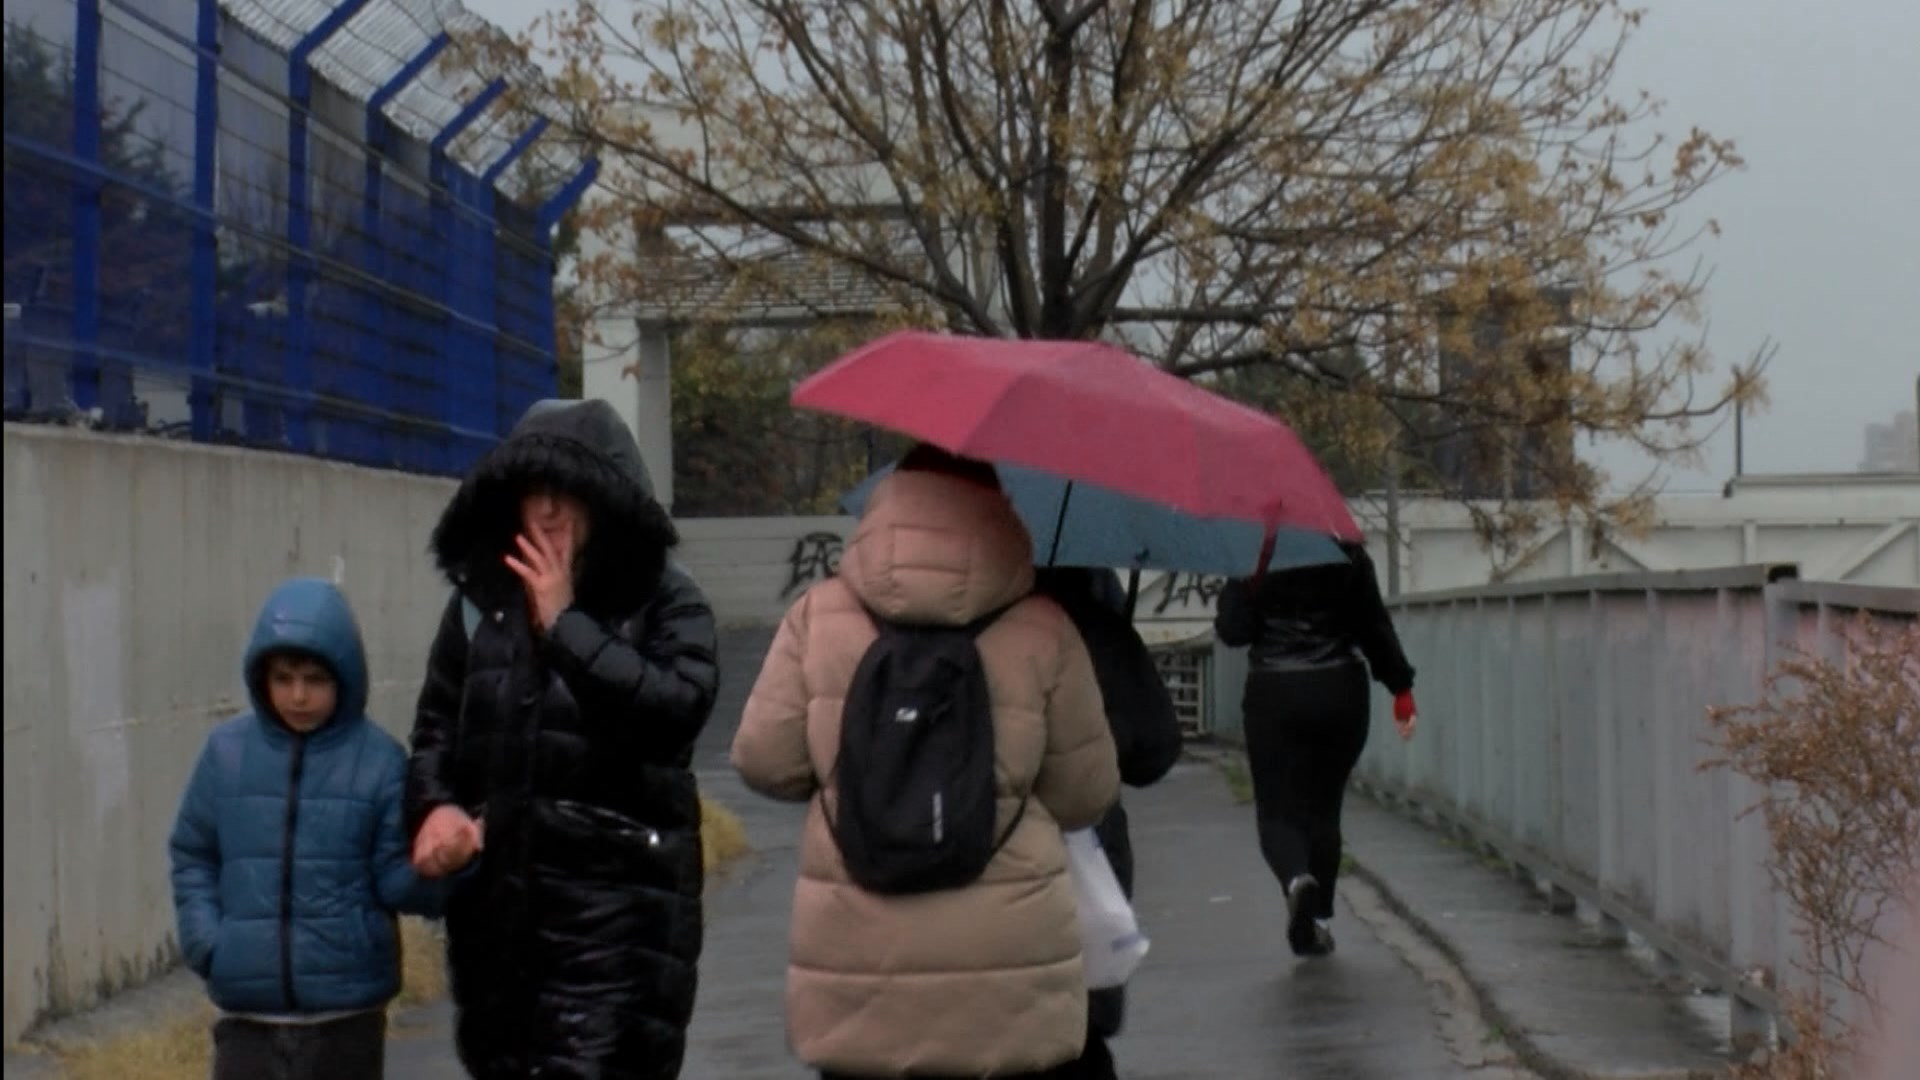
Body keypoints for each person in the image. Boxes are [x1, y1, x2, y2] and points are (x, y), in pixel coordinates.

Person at [732, 445, 1120, 1080]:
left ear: (887, 502)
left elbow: (764, 761)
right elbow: (1085, 794)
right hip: (1007, 960)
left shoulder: (818, 616)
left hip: (858, 954)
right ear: (999, 509)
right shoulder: (1043, 626)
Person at [404, 398, 720, 1080]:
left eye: (567, 491)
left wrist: (566, 624)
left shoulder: (665, 598)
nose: (548, 509)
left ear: (603, 497)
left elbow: (675, 711)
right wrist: (436, 807)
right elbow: (436, 728)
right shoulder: (479, 603)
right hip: (499, 932)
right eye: (534, 491)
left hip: (620, 926)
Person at [169, 577, 447, 1080]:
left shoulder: (380, 761)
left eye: (315, 679)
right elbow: (193, 853)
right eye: (283, 678)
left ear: (345, 677)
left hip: (347, 1019)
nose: (298, 696)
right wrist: (208, 943)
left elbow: (395, 879)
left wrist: (443, 867)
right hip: (247, 1018)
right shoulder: (226, 755)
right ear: (262, 677)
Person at [1213, 541, 1418, 958]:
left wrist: (1243, 583)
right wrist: (1401, 687)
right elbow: (1374, 627)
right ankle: (1319, 920)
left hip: (1275, 692)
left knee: (1277, 810)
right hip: (1340, 691)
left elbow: (1233, 631)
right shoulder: (1346, 551)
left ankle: (1297, 881)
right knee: (1325, 808)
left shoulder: (1255, 551)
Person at [1032, 566, 1184, 1079]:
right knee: (1078, 1033)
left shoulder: (914, 625)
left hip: (938, 886)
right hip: (1080, 861)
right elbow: (1156, 749)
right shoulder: (1092, 626)